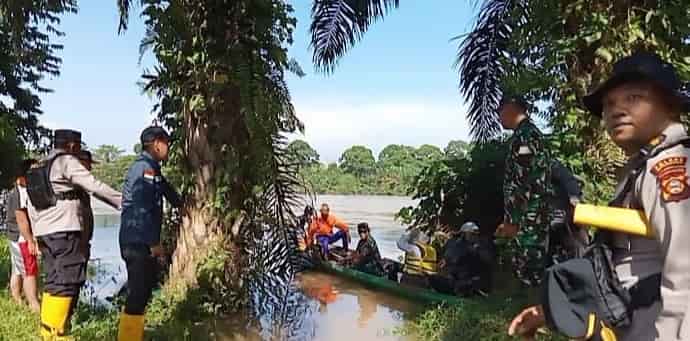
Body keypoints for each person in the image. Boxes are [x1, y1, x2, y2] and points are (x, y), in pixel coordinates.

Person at [509, 52, 690, 340]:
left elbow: (685, 268)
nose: (616, 110)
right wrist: (546, 313)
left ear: (669, 105)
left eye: (633, 98)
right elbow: (624, 263)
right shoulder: (642, 168)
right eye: (609, 104)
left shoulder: (669, 168)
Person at [25, 129, 122, 340]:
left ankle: (47, 332)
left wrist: (36, 233)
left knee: (54, 281)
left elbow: (30, 204)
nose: (78, 151)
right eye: (77, 146)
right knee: (66, 282)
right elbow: (93, 186)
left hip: (46, 232)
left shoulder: (41, 165)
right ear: (70, 145)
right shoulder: (65, 160)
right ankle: (57, 334)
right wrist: (123, 201)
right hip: (64, 230)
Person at [118, 126, 183, 341]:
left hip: (138, 240)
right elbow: (141, 208)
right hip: (138, 241)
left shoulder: (152, 168)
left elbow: (165, 189)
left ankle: (134, 335)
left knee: (143, 292)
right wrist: (154, 243)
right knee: (138, 294)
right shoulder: (144, 169)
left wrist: (183, 204)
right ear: (157, 143)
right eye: (167, 143)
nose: (169, 148)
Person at [495, 95, 557, 287]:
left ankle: (530, 309)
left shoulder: (525, 138)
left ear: (512, 108)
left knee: (528, 267)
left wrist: (513, 220)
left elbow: (523, 180)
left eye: (500, 111)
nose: (498, 117)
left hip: (529, 216)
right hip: (531, 214)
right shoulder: (526, 134)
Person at [5, 159, 41, 312]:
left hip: (15, 236)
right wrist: (30, 240)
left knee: (18, 270)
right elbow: (21, 218)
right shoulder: (20, 192)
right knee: (29, 271)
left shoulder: (19, 191)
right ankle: (34, 306)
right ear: (23, 176)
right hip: (20, 237)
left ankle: (17, 300)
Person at [430, 222, 494, 297]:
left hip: (470, 281)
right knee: (433, 278)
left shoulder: (480, 246)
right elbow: (448, 259)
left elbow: (486, 263)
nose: (474, 236)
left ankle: (466, 291)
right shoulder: (457, 244)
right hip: (458, 279)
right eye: (472, 234)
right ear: (464, 234)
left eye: (476, 234)